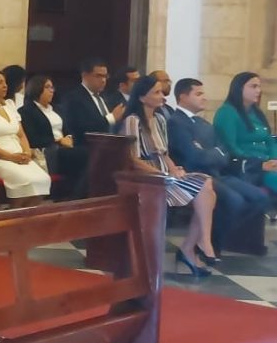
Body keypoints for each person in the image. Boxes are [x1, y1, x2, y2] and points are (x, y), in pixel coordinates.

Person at [118, 75, 217, 277]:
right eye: (156, 92)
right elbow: (132, 159)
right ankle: (194, 247)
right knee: (205, 190)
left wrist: (174, 170)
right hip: (145, 178)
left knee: (206, 185)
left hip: (164, 174)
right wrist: (160, 173)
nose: (162, 96)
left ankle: (199, 242)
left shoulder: (160, 119)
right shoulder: (133, 121)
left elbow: (164, 154)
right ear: (142, 97)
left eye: (162, 91)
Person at [168, 78, 269, 259]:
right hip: (197, 176)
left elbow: (225, 153)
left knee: (259, 197)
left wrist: (210, 152)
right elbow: (193, 157)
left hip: (218, 174)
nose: (204, 98)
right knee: (234, 200)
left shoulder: (204, 124)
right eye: (198, 94)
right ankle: (209, 244)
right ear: (183, 97)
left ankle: (219, 239)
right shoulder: (176, 122)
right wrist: (214, 153)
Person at [0, 70, 52, 208]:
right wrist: (10, 157)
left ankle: (25, 217)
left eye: (5, 82)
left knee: (43, 179)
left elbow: (21, 134)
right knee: (27, 181)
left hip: (18, 156)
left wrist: (26, 152)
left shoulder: (9, 105)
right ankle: (12, 215)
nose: (5, 85)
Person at [214, 72, 277, 194]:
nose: (258, 90)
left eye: (259, 86)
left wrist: (274, 159)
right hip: (249, 167)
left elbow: (270, 140)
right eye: (253, 86)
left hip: (268, 163)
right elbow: (230, 147)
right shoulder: (227, 112)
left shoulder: (256, 112)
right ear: (239, 88)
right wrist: (261, 164)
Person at [18, 75, 84, 177]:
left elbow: (68, 129)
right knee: (83, 155)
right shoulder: (26, 111)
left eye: (52, 87)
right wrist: (59, 141)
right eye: (47, 87)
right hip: (48, 150)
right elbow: (33, 138)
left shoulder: (57, 109)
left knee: (91, 153)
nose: (51, 90)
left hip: (65, 147)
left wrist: (69, 137)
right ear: (37, 88)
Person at [61, 58, 125, 146]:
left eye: (105, 76)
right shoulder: (73, 98)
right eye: (98, 76)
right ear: (85, 75)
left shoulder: (107, 98)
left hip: (109, 147)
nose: (103, 80)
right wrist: (111, 118)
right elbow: (82, 128)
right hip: (87, 149)